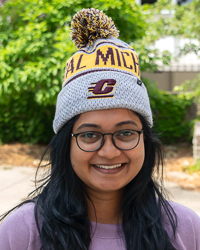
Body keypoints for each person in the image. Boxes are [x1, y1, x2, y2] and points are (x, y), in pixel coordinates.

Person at [0, 8, 200, 250]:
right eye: (89, 135)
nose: (109, 152)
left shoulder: (186, 230)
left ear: (146, 140)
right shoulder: (22, 233)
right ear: (67, 144)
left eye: (125, 133)